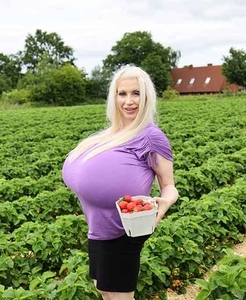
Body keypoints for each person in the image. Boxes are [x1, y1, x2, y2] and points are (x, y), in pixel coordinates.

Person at [62, 65, 179, 300]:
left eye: (136, 93)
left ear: (146, 97)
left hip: (123, 232)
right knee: (104, 289)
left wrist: (164, 203)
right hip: (98, 229)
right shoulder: (111, 134)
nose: (129, 101)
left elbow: (169, 185)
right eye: (122, 94)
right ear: (114, 97)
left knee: (118, 296)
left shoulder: (151, 136)